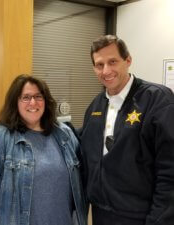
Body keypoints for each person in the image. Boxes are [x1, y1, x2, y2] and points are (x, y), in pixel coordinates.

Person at [80, 35, 174, 225]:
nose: (106, 70)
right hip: (101, 214)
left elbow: (169, 170)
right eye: (99, 65)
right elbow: (83, 150)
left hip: (141, 216)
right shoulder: (95, 107)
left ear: (128, 60)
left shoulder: (157, 99)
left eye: (112, 61)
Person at [0, 74, 88, 225]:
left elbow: (81, 182)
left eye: (38, 96)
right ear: (15, 102)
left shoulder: (65, 135)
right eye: (26, 97)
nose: (33, 102)